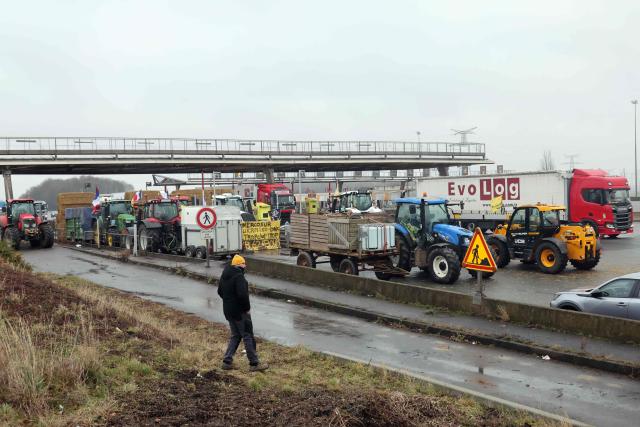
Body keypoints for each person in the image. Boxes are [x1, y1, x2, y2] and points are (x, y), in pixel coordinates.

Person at [217, 254, 268, 372]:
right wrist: (247, 308)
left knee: (236, 335)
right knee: (247, 335)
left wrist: (229, 301)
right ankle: (254, 364)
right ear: (239, 265)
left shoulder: (225, 275)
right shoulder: (239, 276)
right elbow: (242, 295)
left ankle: (227, 361)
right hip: (240, 312)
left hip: (228, 311)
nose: (245, 266)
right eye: (244, 264)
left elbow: (219, 291)